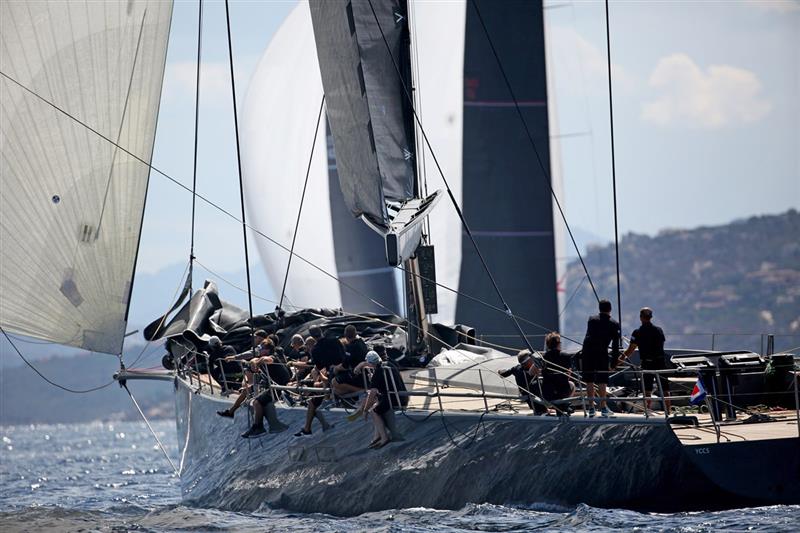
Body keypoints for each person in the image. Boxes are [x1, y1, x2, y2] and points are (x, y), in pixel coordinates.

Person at [618, 307, 671, 413]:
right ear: (650, 317)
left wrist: (619, 360)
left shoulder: (637, 332)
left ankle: (648, 410)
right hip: (661, 362)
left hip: (647, 363)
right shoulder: (658, 330)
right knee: (665, 389)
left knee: (647, 390)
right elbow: (661, 345)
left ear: (641, 318)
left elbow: (630, 350)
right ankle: (668, 411)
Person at [240, 341, 291, 438]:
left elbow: (268, 360)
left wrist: (258, 361)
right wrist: (253, 362)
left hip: (280, 387)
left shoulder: (272, 357)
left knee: (256, 402)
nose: (259, 350)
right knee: (259, 399)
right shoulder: (261, 358)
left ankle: (258, 427)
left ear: (267, 350)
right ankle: (269, 425)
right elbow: (254, 362)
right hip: (274, 387)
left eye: (261, 348)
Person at [581, 299, 621, 418]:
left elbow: (588, 336)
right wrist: (614, 363)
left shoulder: (591, 319)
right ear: (610, 309)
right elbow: (615, 347)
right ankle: (603, 408)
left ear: (599, 308)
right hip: (601, 353)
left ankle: (591, 408)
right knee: (602, 381)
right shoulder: (614, 324)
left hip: (588, 352)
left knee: (589, 380)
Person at [498, 349, 547, 415]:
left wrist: (500, 371)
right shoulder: (533, 371)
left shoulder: (516, 368)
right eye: (532, 359)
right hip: (535, 398)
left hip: (527, 398)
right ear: (528, 361)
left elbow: (503, 374)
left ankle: (544, 409)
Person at [332, 325, 369, 397]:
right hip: (365, 374)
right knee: (337, 391)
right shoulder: (362, 342)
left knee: (334, 381)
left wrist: (336, 368)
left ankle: (361, 391)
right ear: (356, 334)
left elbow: (345, 366)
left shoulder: (350, 347)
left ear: (345, 336)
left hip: (358, 375)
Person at [541, 332, 575, 408]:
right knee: (572, 384)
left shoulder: (543, 357)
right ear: (559, 343)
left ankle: (555, 406)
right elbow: (568, 375)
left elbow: (533, 372)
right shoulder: (566, 356)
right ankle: (565, 403)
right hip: (562, 392)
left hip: (548, 393)